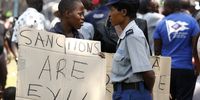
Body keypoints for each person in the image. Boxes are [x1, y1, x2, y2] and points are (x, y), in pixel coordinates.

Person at [106, 0, 155, 100]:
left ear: (123, 12)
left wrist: (147, 92)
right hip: (124, 93)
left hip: (131, 94)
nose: (109, 15)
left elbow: (148, 73)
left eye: (112, 10)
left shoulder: (133, 36)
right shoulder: (127, 34)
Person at [153, 0, 200, 99]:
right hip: (186, 68)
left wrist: (158, 72)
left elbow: (157, 51)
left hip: (166, 70)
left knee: (166, 97)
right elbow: (196, 48)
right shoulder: (192, 21)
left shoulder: (161, 23)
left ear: (169, 7)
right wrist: (198, 66)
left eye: (165, 7)